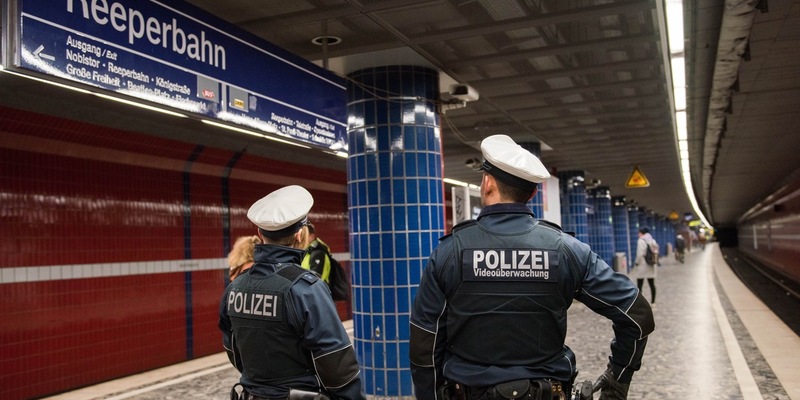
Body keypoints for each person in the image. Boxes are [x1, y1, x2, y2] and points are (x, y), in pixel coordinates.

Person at [409, 135, 655, 400]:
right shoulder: (568, 250)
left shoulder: (449, 253)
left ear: (488, 183)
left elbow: (425, 343)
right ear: (533, 193)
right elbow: (637, 316)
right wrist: (617, 380)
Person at [218, 185, 364, 400]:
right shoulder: (305, 288)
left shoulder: (235, 287)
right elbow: (336, 362)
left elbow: (233, 349)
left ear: (260, 234)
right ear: (299, 234)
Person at [631, 227, 658, 306]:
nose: (638, 234)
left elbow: (639, 254)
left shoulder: (641, 240)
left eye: (639, 232)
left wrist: (636, 262)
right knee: (652, 284)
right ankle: (653, 302)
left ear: (641, 233)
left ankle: (640, 303)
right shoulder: (652, 240)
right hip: (651, 264)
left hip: (642, 265)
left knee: (640, 284)